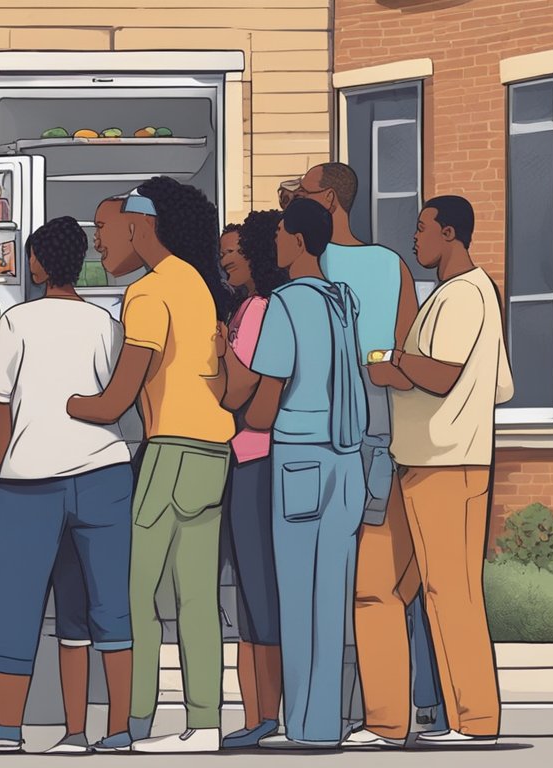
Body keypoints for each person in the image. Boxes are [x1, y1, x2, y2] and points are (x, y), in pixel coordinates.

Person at [68, 179, 235, 754]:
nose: (97, 243)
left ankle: (131, 723)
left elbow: (116, 400)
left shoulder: (147, 293)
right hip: (213, 451)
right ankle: (205, 723)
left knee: (134, 593)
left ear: (140, 226)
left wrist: (69, 403)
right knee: (196, 598)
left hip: (170, 451)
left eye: (106, 229)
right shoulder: (196, 283)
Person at [293, 162, 447, 745]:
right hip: (383, 427)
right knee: (391, 573)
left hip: (329, 431)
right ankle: (422, 702)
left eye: (300, 196)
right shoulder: (392, 265)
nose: (291, 208)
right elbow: (407, 354)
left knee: (344, 575)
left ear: (328, 199)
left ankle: (360, 708)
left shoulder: (310, 266)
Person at [0, 217, 135, 755]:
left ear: (41, 263)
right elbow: (121, 397)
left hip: (30, 481)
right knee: (103, 607)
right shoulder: (106, 322)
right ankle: (107, 731)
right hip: (104, 473)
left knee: (18, 605)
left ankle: (8, 731)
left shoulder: (16, 323)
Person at [361, 195, 512, 747]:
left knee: (451, 591)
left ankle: (475, 720)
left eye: (423, 229)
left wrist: (392, 366)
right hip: (413, 461)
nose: (416, 238)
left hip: (450, 463)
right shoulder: (449, 296)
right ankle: (385, 722)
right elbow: (497, 385)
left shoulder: (467, 295)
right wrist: (403, 371)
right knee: (373, 586)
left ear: (449, 234)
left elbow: (442, 375)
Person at [219, 198, 367, 749]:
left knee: (297, 596)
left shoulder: (285, 303)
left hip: (299, 456)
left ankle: (305, 727)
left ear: (298, 241)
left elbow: (263, 405)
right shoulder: (343, 299)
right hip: (346, 460)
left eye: (281, 233)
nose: (275, 242)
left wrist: (231, 394)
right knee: (333, 596)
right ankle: (328, 719)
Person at [215, 212, 288, 749]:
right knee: (250, 589)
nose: (225, 259)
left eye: (233, 251)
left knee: (258, 589)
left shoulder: (261, 309)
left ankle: (265, 713)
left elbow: (239, 391)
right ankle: (258, 712)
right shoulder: (249, 306)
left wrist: (218, 353)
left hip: (256, 461)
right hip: (247, 458)